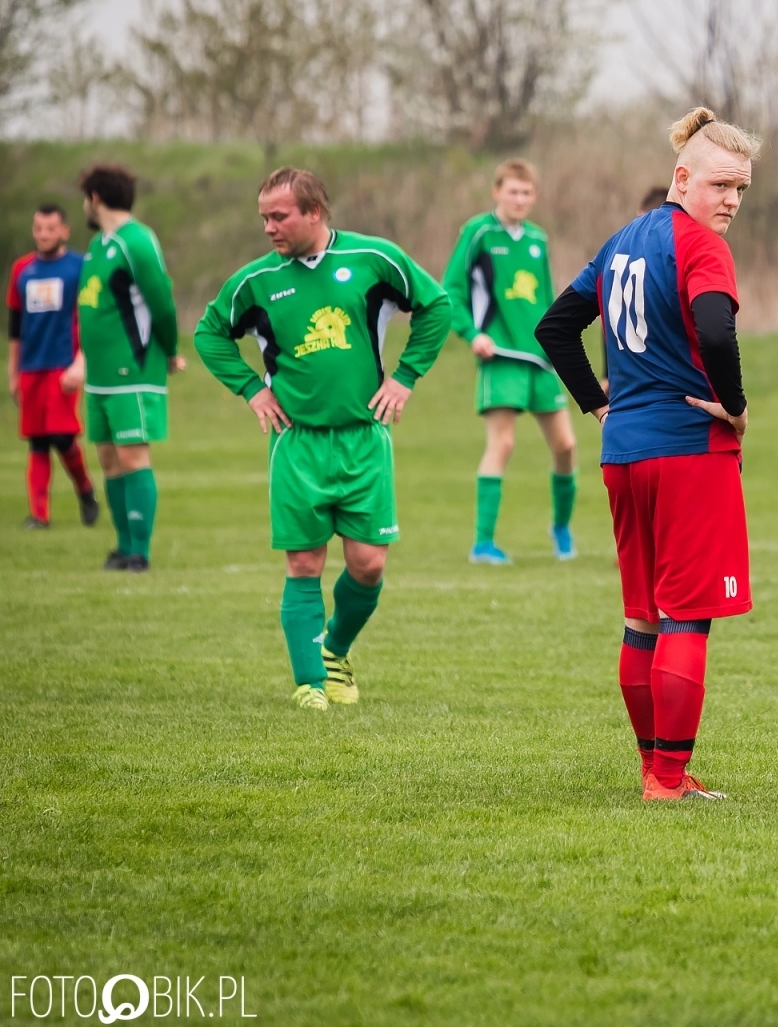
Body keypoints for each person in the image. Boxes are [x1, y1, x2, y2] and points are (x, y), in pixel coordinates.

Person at [537, 108, 756, 801]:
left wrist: (600, 406)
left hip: (624, 453)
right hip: (688, 450)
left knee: (644, 615)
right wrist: (736, 406)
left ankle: (655, 768)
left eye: (742, 190)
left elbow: (556, 327)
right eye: (721, 185)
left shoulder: (624, 240)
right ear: (682, 176)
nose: (730, 201)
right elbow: (717, 333)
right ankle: (666, 779)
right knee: (688, 615)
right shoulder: (699, 246)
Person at [193, 167, 452, 711]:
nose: (269, 227)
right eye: (263, 217)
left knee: (369, 564)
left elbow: (436, 306)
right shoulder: (255, 282)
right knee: (304, 563)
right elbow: (209, 333)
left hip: (363, 439)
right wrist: (250, 390)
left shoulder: (372, 260)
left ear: (315, 212)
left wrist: (404, 378)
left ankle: (333, 649)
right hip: (297, 443)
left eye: (279, 215)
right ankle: (310, 682)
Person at [446, 158, 579, 565]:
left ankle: (560, 528)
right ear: (497, 191)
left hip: (540, 359)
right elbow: (450, 290)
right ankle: (483, 544)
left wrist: (560, 344)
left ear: (534, 196)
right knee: (502, 444)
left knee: (567, 446)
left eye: (526, 192)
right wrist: (472, 334)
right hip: (500, 354)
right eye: (512, 191)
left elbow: (548, 299)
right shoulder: (479, 233)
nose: (519, 198)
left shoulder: (538, 240)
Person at [77, 165, 181, 572]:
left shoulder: (137, 241)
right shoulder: (99, 244)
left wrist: (171, 350)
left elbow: (162, 302)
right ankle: (122, 547)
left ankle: (140, 551)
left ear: (96, 197)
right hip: (98, 377)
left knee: (133, 458)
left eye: (85, 197)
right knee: (108, 460)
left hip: (132, 372)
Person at [9, 204, 96, 528]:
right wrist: (13, 371)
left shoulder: (79, 267)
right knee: (38, 440)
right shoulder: (22, 270)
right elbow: (15, 326)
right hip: (32, 366)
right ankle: (39, 516)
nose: (44, 234)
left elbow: (91, 316)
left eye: (50, 228)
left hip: (64, 364)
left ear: (64, 231)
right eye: (38, 228)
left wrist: (82, 360)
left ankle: (85, 489)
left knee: (61, 435)